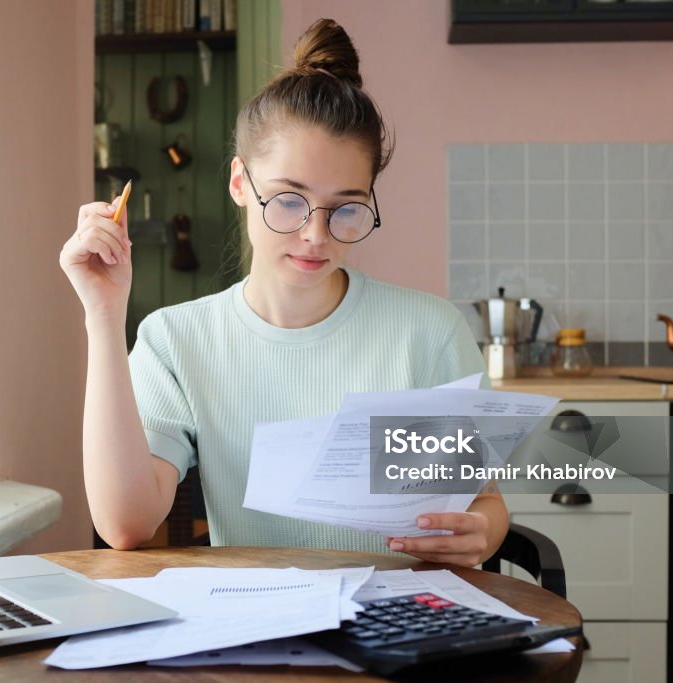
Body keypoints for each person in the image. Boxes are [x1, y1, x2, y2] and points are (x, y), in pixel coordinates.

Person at [59, 18, 508, 567]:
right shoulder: (177, 340)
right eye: (290, 201)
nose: (316, 235)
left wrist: (481, 530)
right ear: (240, 184)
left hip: (398, 627)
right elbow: (125, 525)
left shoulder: (429, 333)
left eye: (346, 207)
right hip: (258, 628)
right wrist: (103, 314)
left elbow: (485, 502)